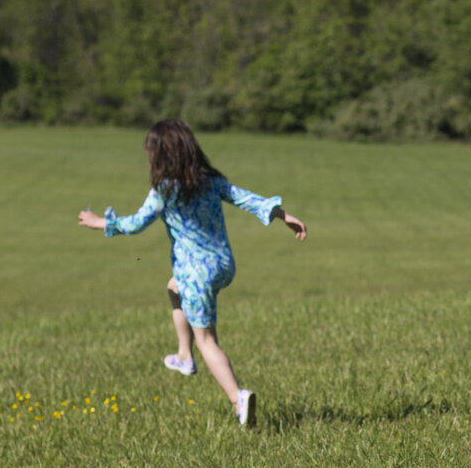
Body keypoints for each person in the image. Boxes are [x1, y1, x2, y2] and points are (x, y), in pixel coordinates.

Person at [78, 118, 305, 428]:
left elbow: (135, 225)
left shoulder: (165, 191)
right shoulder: (210, 181)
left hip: (197, 275)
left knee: (208, 340)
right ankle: (183, 356)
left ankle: (238, 399)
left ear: (160, 157)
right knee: (174, 287)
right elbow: (246, 198)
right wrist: (283, 214)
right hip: (223, 266)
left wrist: (99, 222)